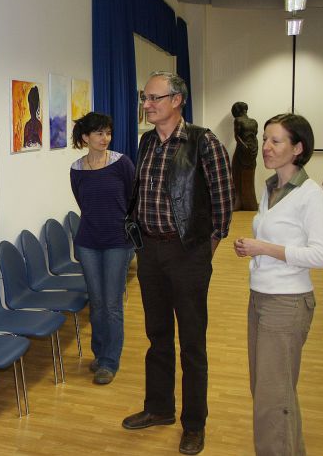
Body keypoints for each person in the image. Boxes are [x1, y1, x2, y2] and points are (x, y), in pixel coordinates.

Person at [122, 72, 233, 455]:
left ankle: (194, 424)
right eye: (145, 97)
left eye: (155, 98)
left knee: (192, 343)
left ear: (177, 100)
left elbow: (223, 205)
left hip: (188, 254)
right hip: (149, 252)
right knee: (157, 336)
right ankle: (159, 408)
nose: (147, 104)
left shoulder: (204, 142)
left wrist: (202, 253)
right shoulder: (146, 142)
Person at [233, 113, 323, 455]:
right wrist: (253, 250)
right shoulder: (270, 187)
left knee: (273, 399)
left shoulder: (309, 194)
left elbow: (321, 255)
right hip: (261, 298)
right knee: (268, 393)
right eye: (265, 140)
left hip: (286, 304)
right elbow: (275, 240)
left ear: (298, 148)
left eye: (276, 141)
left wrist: (264, 248)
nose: (266, 147)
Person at [69, 112, 136, 385]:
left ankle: (109, 361)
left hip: (118, 241)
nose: (105, 138)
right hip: (88, 242)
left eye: (108, 132)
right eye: (99, 133)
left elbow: (133, 198)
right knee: (96, 303)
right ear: (85, 137)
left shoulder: (122, 163)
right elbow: (83, 203)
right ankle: (99, 353)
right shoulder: (76, 169)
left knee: (112, 304)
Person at [231, 101, 259, 211]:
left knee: (237, 174)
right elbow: (254, 137)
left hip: (242, 151)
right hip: (252, 150)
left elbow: (237, 137)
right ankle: (250, 204)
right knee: (247, 176)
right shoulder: (254, 122)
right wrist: (253, 149)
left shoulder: (238, 120)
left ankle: (239, 202)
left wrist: (244, 147)